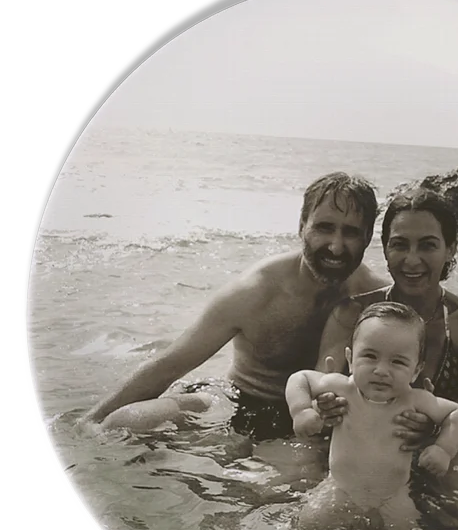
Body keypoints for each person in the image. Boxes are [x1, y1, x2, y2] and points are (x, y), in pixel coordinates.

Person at [81, 172, 389, 440]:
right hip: (235, 400)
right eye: (324, 227)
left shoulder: (375, 299)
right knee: (124, 423)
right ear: (302, 227)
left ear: (367, 238)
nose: (336, 246)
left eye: (350, 232)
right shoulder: (257, 291)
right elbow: (170, 364)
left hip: (315, 419)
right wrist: (91, 420)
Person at [312, 187, 458, 528]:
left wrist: (434, 431)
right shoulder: (352, 313)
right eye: (400, 244)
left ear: (450, 249)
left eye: (427, 245)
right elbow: (317, 394)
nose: (411, 260)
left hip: (442, 443)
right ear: (385, 249)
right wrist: (323, 407)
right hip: (360, 442)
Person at [285, 302, 458, 530]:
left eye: (398, 362)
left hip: (393, 497)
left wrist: (444, 448)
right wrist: (301, 410)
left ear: (416, 370)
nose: (382, 370)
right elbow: (299, 378)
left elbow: (457, 414)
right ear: (350, 359)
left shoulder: (416, 400)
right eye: (370, 356)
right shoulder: (343, 388)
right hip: (340, 489)